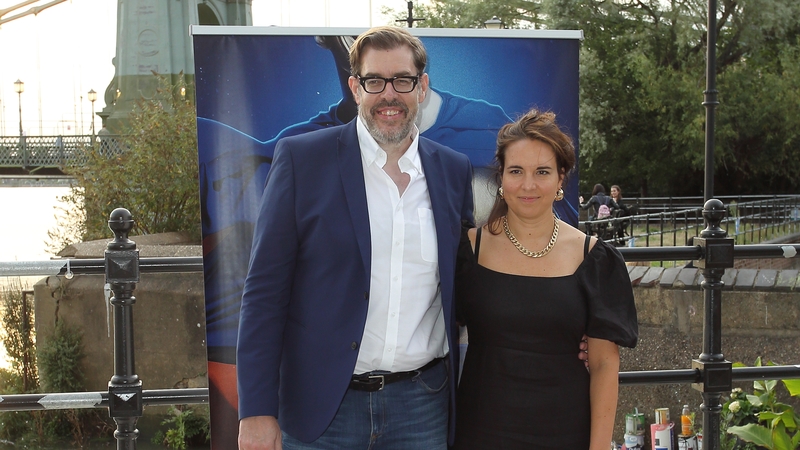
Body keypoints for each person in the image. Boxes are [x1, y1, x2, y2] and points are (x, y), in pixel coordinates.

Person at [235, 26, 476, 450]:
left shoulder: (453, 170)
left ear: (422, 88)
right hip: (322, 411)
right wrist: (256, 409)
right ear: (355, 87)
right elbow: (264, 293)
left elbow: (468, 281)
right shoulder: (302, 160)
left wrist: (560, 324)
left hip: (422, 408)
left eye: (402, 80)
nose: (389, 95)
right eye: (374, 81)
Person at [454, 109, 638, 449]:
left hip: (565, 433)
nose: (528, 185)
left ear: (561, 178)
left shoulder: (594, 259)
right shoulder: (467, 251)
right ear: (501, 177)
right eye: (516, 171)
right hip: (481, 432)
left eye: (542, 172)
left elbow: (603, 365)